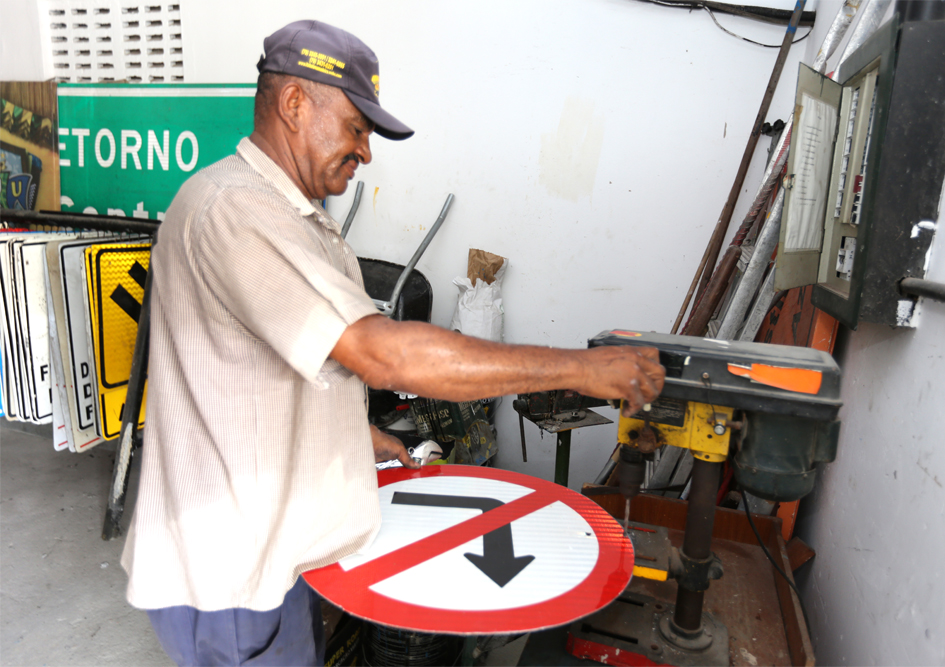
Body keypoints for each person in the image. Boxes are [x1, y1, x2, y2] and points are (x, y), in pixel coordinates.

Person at [121, 20, 665, 667]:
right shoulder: (237, 211)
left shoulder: (289, 216)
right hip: (233, 575)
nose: (367, 153)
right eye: (356, 127)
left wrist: (346, 435)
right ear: (295, 104)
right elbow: (384, 353)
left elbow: (264, 367)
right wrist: (579, 368)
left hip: (274, 550)